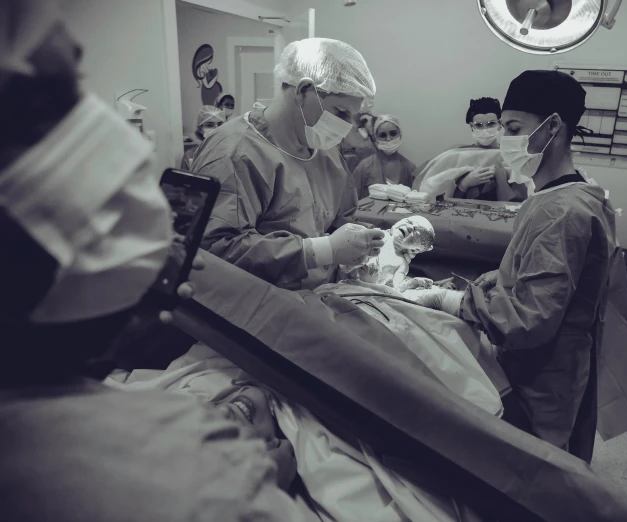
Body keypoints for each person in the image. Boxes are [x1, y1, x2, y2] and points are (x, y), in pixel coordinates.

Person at [0, 3, 306, 519]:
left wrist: (99, 349)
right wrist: (263, 480)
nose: (127, 143)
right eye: (53, 100)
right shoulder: (202, 476)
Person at [410, 70, 627, 462]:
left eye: (514, 127)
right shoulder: (566, 195)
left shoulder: (561, 212)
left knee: (532, 472)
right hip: (554, 369)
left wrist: (447, 302)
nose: (505, 140)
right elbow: (532, 276)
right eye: (503, 128)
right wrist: (484, 284)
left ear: (553, 126)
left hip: (542, 379)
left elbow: (527, 320)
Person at [191, 38, 385, 291]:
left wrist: (364, 242)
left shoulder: (323, 150)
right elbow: (213, 251)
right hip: (259, 307)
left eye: (352, 116)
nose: (347, 126)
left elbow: (341, 219)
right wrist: (321, 251)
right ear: (303, 91)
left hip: (321, 295)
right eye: (340, 113)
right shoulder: (235, 153)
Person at [352, 114, 417, 199]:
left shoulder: (410, 169)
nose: (388, 139)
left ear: (400, 135)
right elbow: (351, 200)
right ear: (376, 138)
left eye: (393, 133)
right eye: (383, 135)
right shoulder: (364, 167)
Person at [180, 105, 226, 170]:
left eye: (220, 124)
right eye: (210, 125)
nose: (216, 128)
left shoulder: (232, 154)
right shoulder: (190, 157)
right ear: (200, 129)